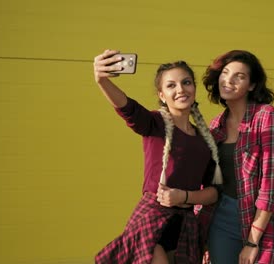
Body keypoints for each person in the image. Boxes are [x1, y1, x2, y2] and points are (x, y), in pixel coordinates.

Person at [92, 49, 222, 264]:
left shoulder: (205, 140)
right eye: (171, 85)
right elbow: (126, 107)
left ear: (194, 88)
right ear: (161, 95)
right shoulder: (154, 124)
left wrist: (184, 197)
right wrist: (101, 80)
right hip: (151, 220)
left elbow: (214, 193)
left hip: (185, 227)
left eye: (186, 82)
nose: (180, 89)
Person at [202, 50, 274, 264]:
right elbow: (208, 181)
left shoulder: (267, 117)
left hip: (261, 221)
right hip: (221, 218)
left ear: (251, 85)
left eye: (239, 76)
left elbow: (273, 184)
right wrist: (203, 237)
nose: (228, 80)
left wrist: (252, 241)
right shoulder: (215, 125)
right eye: (225, 73)